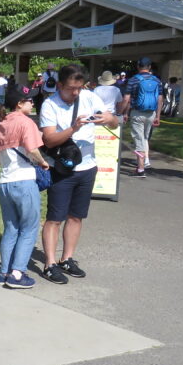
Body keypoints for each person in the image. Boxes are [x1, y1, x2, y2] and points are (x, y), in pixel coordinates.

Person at [39, 64, 118, 284]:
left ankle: (67, 258)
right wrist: (73, 128)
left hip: (88, 167)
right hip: (61, 169)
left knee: (76, 216)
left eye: (79, 88)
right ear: (60, 85)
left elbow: (114, 121)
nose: (75, 93)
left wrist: (107, 120)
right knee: (55, 218)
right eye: (71, 89)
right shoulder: (50, 105)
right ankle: (50, 263)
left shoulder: (89, 97)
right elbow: (49, 140)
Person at [0, 86, 49, 289]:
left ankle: (3, 272)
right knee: (29, 228)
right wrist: (42, 162)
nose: (33, 103)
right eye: (29, 100)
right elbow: (32, 149)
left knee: (11, 228)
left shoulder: (1, 125)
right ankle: (17, 274)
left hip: (5, 183)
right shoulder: (26, 122)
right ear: (19, 104)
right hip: (24, 181)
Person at [120, 57, 163, 178]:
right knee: (144, 138)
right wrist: (158, 115)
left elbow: (126, 99)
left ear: (138, 66)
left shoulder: (134, 80)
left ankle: (140, 169)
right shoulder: (157, 80)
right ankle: (144, 162)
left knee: (138, 140)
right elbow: (160, 99)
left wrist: (121, 112)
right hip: (151, 113)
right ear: (149, 67)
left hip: (137, 113)